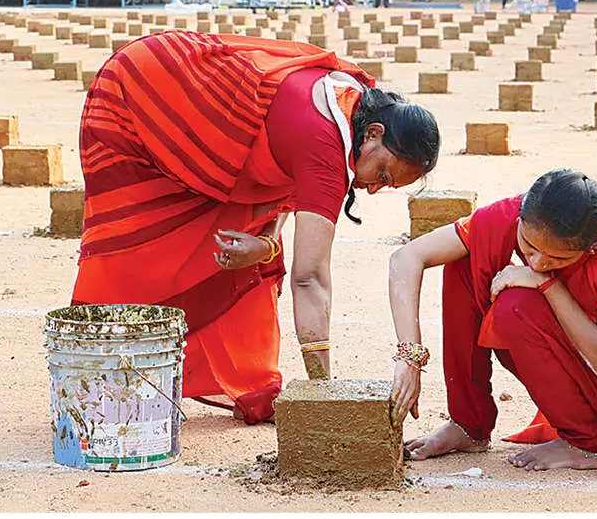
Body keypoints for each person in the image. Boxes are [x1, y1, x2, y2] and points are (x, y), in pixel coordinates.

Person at [70, 31, 441, 424]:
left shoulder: (360, 103)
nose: (373, 186)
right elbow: (310, 278)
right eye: (382, 172)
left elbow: (281, 173)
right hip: (142, 97)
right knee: (141, 242)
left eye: (388, 185)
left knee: (242, 254)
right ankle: (104, 368)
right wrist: (322, 394)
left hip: (200, 113)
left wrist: (266, 244)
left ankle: (243, 380)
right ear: (374, 134)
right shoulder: (328, 154)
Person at [388, 169, 597, 475]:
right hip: (576, 359)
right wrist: (410, 358)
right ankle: (468, 425)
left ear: (590, 247)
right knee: (464, 261)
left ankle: (589, 441)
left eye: (558, 259)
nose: (538, 262)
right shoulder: (513, 215)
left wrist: (545, 284)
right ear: (522, 219)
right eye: (529, 246)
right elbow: (406, 258)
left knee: (517, 306)